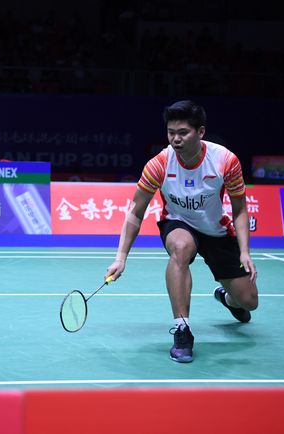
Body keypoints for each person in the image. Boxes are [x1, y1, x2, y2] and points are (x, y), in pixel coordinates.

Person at [106, 100, 258, 363]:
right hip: (179, 223)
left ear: (200, 132)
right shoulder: (159, 164)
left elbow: (240, 209)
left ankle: (227, 298)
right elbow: (135, 212)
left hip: (216, 230)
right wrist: (121, 258)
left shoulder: (225, 161)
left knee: (248, 301)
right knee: (180, 247)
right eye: (171, 132)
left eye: (183, 133)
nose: (175, 139)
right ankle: (182, 329)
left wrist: (245, 252)